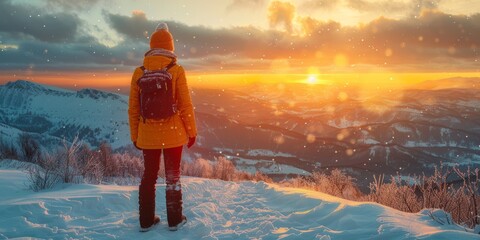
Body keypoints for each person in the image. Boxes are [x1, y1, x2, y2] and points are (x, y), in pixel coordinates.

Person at [128, 22, 197, 232]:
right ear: (170, 47)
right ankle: (175, 220)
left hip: (147, 134)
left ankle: (146, 221)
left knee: (148, 176)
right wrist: (191, 132)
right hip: (174, 133)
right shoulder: (176, 70)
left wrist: (135, 136)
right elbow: (185, 104)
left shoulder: (139, 72)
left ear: (151, 46)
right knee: (172, 176)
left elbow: (133, 109)